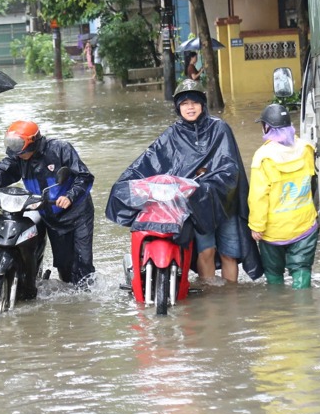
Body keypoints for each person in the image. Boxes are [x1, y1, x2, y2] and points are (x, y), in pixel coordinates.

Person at [106, 79, 262, 283]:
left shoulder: (220, 129)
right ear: (178, 107)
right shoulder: (172, 135)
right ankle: (211, 302)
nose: (190, 107)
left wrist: (206, 185)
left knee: (229, 255)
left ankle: (229, 302)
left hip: (225, 204)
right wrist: (128, 185)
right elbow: (148, 163)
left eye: (195, 102)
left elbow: (231, 168)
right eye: (185, 103)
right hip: (197, 206)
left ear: (202, 105)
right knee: (206, 252)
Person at [0, 120, 96, 286]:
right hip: (51, 216)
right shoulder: (18, 158)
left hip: (78, 214)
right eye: (12, 144)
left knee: (82, 263)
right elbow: (0, 172)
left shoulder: (61, 149)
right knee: (64, 265)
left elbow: (84, 177)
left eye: (18, 144)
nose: (15, 150)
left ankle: (86, 299)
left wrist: (70, 196)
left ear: (32, 142)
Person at [247, 103, 318, 289]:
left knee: (273, 274)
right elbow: (313, 181)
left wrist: (256, 226)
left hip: (273, 231)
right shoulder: (306, 148)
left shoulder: (263, 157)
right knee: (302, 269)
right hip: (304, 224)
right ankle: (304, 312)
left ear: (267, 127)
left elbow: (258, 196)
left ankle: (278, 313)